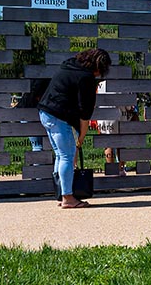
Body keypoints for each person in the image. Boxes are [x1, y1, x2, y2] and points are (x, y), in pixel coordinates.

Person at [37, 48, 112, 209]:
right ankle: (68, 198)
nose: (100, 74)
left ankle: (61, 193)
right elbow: (85, 114)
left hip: (45, 113)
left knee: (59, 155)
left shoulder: (69, 65)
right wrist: (80, 141)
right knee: (67, 157)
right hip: (59, 116)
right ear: (98, 66)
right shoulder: (86, 78)